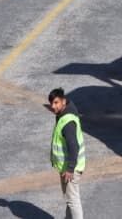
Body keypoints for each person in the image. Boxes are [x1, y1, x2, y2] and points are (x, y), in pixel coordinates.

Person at [47, 88, 85, 219]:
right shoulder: (65, 112)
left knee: (73, 201)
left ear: (63, 101)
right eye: (51, 103)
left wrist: (70, 168)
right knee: (70, 198)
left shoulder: (67, 122)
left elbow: (74, 147)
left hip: (71, 169)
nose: (53, 106)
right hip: (68, 167)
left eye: (56, 103)